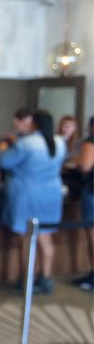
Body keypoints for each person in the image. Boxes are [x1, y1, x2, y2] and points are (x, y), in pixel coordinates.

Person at [0, 110, 66, 294]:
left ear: (34, 123)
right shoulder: (59, 142)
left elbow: (4, 162)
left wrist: (4, 146)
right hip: (52, 194)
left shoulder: (27, 143)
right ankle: (46, 278)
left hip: (28, 194)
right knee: (46, 236)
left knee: (27, 238)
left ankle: (28, 280)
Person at [72, 116, 94, 290]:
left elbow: (85, 165)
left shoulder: (90, 143)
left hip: (92, 191)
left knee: (92, 235)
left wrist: (77, 160)